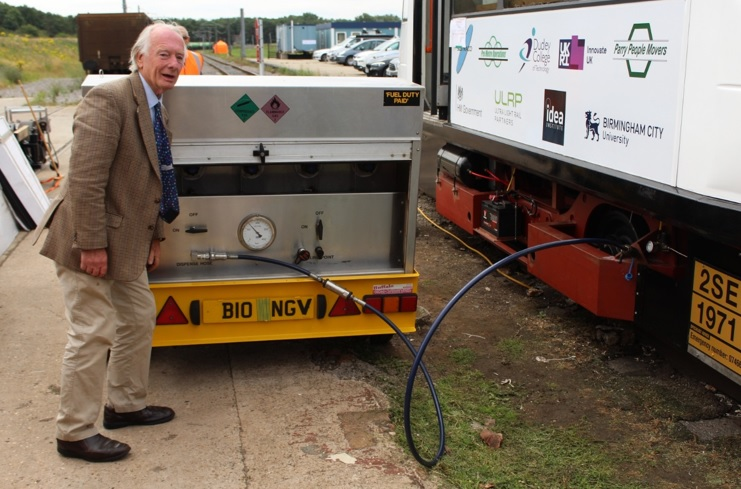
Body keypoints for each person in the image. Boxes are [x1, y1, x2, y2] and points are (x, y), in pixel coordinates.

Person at [35, 21, 186, 462]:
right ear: (139, 57)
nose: (173, 64)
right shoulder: (110, 99)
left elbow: (157, 181)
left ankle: (125, 405)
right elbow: (85, 180)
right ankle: (74, 432)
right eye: (164, 55)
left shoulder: (156, 103)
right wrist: (92, 245)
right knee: (92, 331)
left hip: (127, 241)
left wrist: (154, 237)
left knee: (138, 316)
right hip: (90, 240)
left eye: (178, 57)